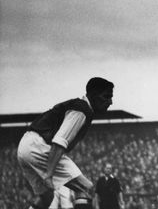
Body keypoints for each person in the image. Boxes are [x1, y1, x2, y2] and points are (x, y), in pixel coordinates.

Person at [17, 77, 114, 209]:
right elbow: (59, 142)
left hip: (24, 147)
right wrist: (49, 175)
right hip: (39, 146)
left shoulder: (79, 107)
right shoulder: (82, 110)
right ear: (93, 95)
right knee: (86, 188)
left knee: (47, 197)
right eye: (106, 97)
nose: (110, 102)